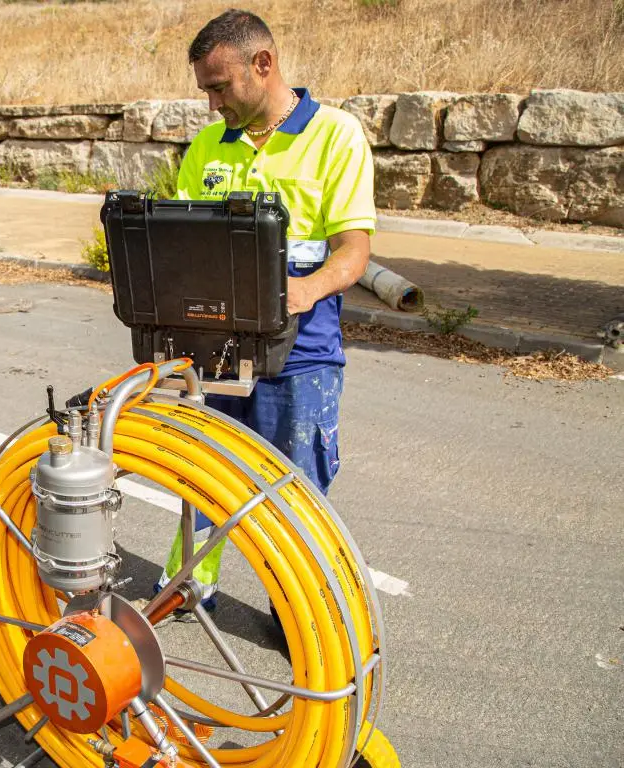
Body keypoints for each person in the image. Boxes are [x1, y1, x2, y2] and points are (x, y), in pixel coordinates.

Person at [157, 9, 376, 614]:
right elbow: (189, 248)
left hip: (300, 353)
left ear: (264, 64)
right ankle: (189, 584)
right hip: (217, 350)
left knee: (294, 491)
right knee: (204, 476)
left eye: (219, 88)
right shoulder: (207, 145)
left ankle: (301, 615)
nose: (210, 105)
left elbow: (352, 254)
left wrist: (303, 291)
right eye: (205, 90)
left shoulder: (334, 135)